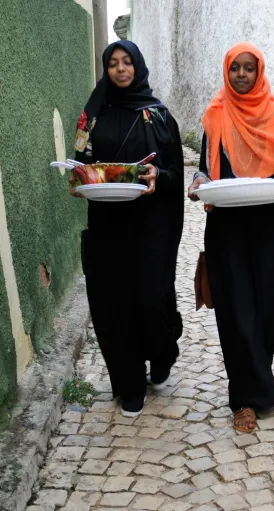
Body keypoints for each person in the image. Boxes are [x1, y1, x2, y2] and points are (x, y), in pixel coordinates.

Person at [188, 42, 274, 433]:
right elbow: (206, 169)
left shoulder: (273, 113)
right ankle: (245, 400)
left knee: (267, 311)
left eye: (248, 68)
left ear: (258, 73)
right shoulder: (216, 114)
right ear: (227, 71)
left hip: (271, 227)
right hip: (227, 227)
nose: (241, 74)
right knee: (236, 313)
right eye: (235, 68)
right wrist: (199, 182)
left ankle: (269, 338)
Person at [71, 41, 184, 418]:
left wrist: (158, 174)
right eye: (113, 63)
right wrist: (78, 177)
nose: (120, 69)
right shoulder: (93, 115)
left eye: (127, 62)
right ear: (107, 69)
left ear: (138, 65)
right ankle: (130, 385)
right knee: (112, 306)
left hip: (151, 224)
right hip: (106, 223)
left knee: (151, 301)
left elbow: (173, 174)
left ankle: (164, 352)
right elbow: (81, 160)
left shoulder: (160, 116)